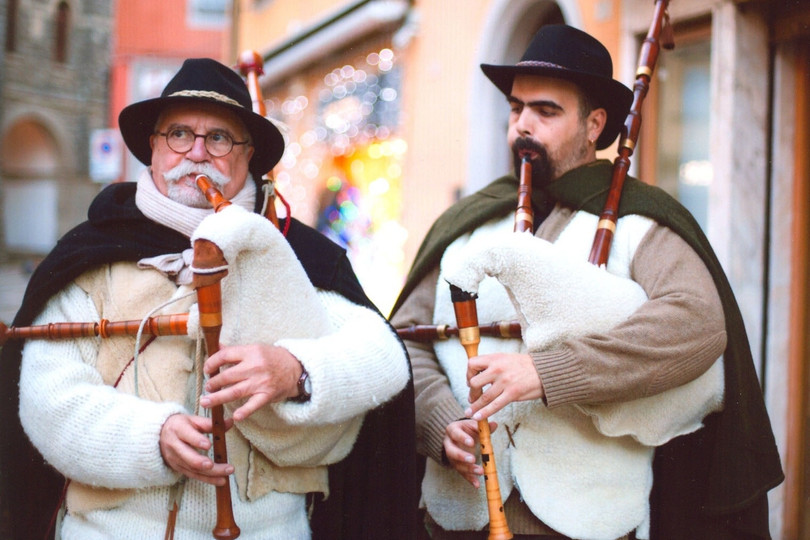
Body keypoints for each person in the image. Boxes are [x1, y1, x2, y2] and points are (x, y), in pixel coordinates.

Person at [389, 25, 782, 540]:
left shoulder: (641, 223)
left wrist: (548, 373)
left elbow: (696, 324)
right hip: (457, 520)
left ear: (594, 124)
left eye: (546, 111)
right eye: (516, 108)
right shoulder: (469, 221)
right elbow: (405, 339)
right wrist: (442, 423)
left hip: (586, 522)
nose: (523, 125)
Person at [0, 58, 417, 540]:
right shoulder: (92, 251)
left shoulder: (292, 251)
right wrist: (152, 437)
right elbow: (49, 398)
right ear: (154, 147)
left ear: (248, 155)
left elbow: (383, 356)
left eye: (219, 138)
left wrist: (296, 370)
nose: (196, 153)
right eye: (179, 134)